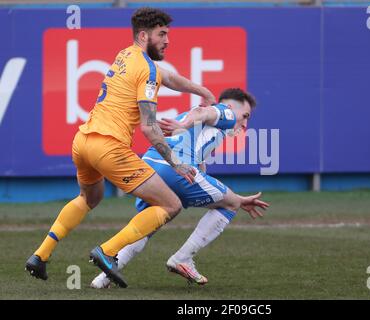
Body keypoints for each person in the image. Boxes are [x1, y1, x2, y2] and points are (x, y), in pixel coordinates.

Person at [25, 7, 216, 288]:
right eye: (161, 34)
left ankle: (40, 256)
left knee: (89, 199)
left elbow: (167, 77)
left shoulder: (126, 54)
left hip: (83, 142)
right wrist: (177, 163)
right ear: (143, 35)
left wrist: (202, 91)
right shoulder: (147, 68)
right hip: (110, 149)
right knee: (171, 204)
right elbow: (149, 127)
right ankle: (108, 250)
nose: (167, 40)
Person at [90, 88, 269, 288]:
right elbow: (202, 112)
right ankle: (182, 259)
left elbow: (201, 169)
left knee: (149, 224)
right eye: (244, 116)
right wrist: (234, 200)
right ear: (229, 107)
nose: (245, 124)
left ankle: (101, 280)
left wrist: (232, 197)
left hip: (149, 165)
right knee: (230, 206)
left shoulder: (205, 128)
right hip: (174, 167)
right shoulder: (224, 113)